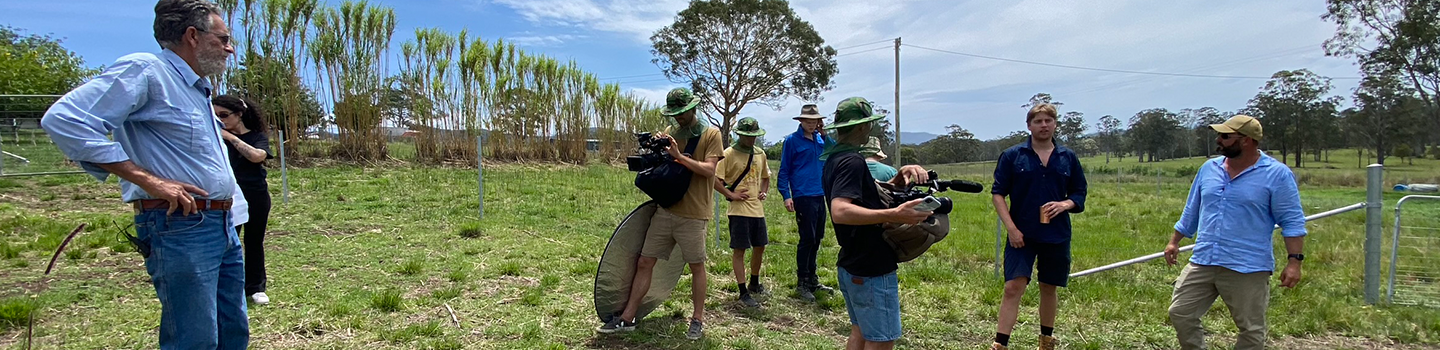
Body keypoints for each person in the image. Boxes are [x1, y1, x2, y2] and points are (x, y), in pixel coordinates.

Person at [39, 0, 246, 348]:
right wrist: (149, 180)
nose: (229, 47)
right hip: (182, 224)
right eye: (223, 38)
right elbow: (65, 120)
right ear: (192, 35)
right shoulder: (147, 71)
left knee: (233, 331)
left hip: (221, 225)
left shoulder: (196, 90)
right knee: (194, 339)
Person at [1164, 115, 1307, 350]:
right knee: (1180, 312)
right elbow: (1192, 209)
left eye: (1226, 136)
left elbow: (1292, 222)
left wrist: (1294, 262)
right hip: (1204, 259)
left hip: (1247, 265)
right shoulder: (1208, 169)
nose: (1219, 140)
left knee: (1251, 329)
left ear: (1247, 141)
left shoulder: (1277, 175)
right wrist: (1174, 241)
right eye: (1219, 135)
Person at [597, 87, 722, 340]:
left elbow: (709, 170)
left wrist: (678, 156)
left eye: (682, 113)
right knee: (645, 261)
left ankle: (697, 319)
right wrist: (657, 150)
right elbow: (662, 166)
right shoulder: (670, 134)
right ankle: (627, 317)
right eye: (674, 113)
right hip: (665, 210)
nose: (678, 118)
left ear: (692, 109)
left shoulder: (711, 134)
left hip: (694, 214)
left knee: (697, 266)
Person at [822, 97, 933, 350]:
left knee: (860, 332)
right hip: (871, 265)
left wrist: (898, 179)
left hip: (853, 262)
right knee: (881, 339)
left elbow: (865, 198)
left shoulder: (836, 160)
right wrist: (895, 214)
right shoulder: (853, 161)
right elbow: (840, 210)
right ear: (862, 127)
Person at [990, 103, 1088, 350]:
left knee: (1048, 286)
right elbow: (998, 194)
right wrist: (1011, 229)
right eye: (1038, 121)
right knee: (1013, 287)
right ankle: (1000, 344)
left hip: (1056, 234)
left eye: (1048, 121)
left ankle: (1046, 341)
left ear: (1055, 124)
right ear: (1029, 126)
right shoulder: (1013, 156)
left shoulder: (1067, 157)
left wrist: (1066, 204)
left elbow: (1079, 193)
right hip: (1021, 234)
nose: (1043, 125)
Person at [214, 95, 275, 305]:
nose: (220, 120)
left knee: (254, 241)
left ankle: (255, 288)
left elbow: (258, 156)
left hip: (255, 194)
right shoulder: (214, 140)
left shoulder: (256, 137)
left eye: (224, 115)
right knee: (228, 242)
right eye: (214, 116)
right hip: (227, 196)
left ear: (239, 114)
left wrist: (231, 138)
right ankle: (226, 288)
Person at [712, 117, 772, 308]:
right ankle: (742, 291)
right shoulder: (728, 154)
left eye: (754, 136)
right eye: (747, 136)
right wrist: (730, 194)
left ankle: (754, 282)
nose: (751, 139)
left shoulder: (760, 153)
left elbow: (766, 176)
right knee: (740, 250)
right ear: (739, 134)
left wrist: (764, 191)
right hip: (738, 211)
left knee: (760, 246)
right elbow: (715, 179)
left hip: (757, 210)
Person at [777, 103, 834, 302]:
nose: (812, 124)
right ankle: (802, 281)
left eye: (815, 121)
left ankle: (813, 278)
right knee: (807, 238)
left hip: (820, 194)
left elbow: (835, 152)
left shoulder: (821, 140)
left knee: (817, 237)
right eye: (808, 121)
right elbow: (784, 169)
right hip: (803, 194)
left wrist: (825, 134)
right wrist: (786, 195)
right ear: (801, 121)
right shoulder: (792, 141)